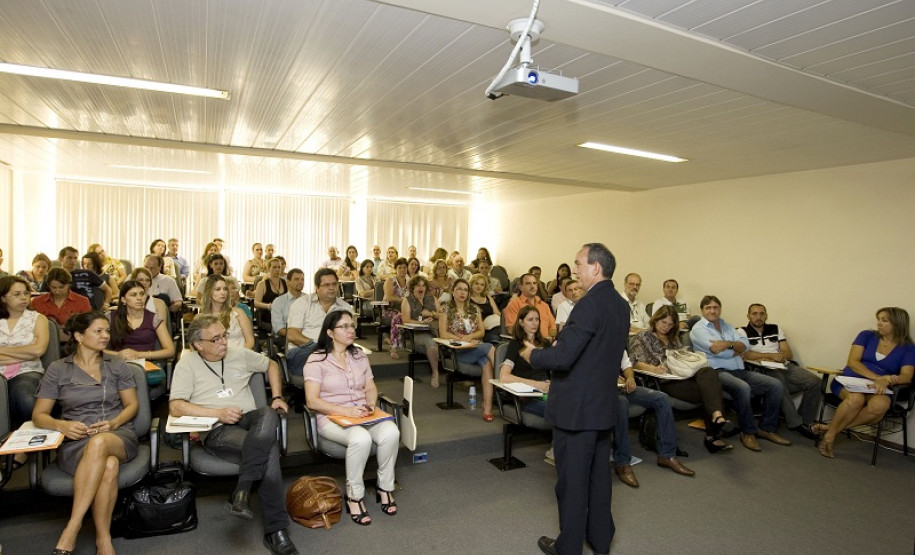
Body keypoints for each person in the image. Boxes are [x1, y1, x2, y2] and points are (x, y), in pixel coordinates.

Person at [519, 243, 627, 555]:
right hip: (602, 405)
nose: (575, 269)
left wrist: (533, 353)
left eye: (579, 263)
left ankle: (568, 547)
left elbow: (564, 357)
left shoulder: (588, 305)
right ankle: (600, 539)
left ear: (596, 267)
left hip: (577, 410)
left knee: (572, 483)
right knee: (598, 479)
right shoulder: (619, 304)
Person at [169, 314, 298, 555]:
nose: (223, 342)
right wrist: (217, 413)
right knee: (268, 449)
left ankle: (242, 490)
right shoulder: (187, 364)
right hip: (218, 429)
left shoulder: (238, 353)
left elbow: (270, 364)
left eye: (224, 335)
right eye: (215, 339)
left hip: (250, 421)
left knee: (269, 413)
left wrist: (278, 396)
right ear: (198, 344)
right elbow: (176, 406)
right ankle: (276, 531)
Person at [32, 311, 139, 555]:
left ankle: (72, 526)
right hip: (76, 439)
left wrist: (113, 423)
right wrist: (62, 425)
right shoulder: (58, 369)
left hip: (117, 434)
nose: (105, 336)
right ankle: (103, 540)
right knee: (109, 466)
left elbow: (132, 406)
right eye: (98, 331)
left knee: (101, 445)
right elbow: (39, 415)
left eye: (107, 331)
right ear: (79, 336)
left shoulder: (117, 365)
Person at [304, 311, 400, 526]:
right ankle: (354, 496)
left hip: (362, 412)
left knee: (392, 431)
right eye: (344, 326)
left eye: (352, 326)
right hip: (331, 416)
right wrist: (346, 411)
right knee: (361, 439)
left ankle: (385, 487)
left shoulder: (359, 355)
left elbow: (370, 387)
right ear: (330, 332)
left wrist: (371, 404)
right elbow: (312, 401)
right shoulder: (316, 359)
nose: (351, 330)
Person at [690, 295, 790, 452]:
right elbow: (717, 352)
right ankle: (747, 432)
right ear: (702, 310)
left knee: (775, 385)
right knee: (743, 388)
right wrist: (735, 350)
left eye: (715, 307)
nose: (712, 310)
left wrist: (728, 344)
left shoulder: (728, 326)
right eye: (708, 307)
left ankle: (767, 428)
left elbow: (746, 345)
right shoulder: (698, 330)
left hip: (739, 369)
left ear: (720, 309)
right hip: (717, 373)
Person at [629, 305, 733, 453]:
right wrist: (653, 368)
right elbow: (634, 362)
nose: (666, 327)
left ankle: (717, 416)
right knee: (710, 392)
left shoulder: (673, 338)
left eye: (670, 324)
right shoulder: (643, 336)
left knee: (708, 372)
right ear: (655, 319)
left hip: (683, 375)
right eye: (663, 322)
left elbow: (682, 358)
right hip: (664, 380)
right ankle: (713, 433)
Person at [814, 307, 915, 458]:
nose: (879, 323)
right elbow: (853, 362)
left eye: (884, 320)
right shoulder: (866, 335)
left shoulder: (908, 348)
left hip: (876, 388)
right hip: (850, 380)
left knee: (879, 406)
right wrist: (878, 378)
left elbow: (907, 376)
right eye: (878, 319)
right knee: (856, 399)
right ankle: (830, 437)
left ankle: (831, 430)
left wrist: (889, 379)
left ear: (897, 323)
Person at [612, 350, 695, 488]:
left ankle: (667, 455)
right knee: (621, 403)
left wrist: (630, 378)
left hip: (621, 387)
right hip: (601, 392)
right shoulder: (592, 342)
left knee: (661, 398)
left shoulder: (617, 342)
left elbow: (626, 366)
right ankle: (622, 464)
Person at [740, 303, 821, 440]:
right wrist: (770, 356)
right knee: (779, 382)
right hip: (761, 368)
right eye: (754, 314)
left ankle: (806, 421)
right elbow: (746, 355)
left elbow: (788, 353)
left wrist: (780, 358)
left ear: (766, 315)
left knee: (815, 382)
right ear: (748, 316)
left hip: (782, 365)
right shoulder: (741, 332)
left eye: (761, 313)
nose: (758, 317)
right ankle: (796, 423)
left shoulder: (775, 328)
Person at [0, 276, 50, 449]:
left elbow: (38, 351)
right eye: (16, 294)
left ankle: (24, 445)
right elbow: (31, 351)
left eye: (26, 293)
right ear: (3, 297)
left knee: (25, 397)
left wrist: (3, 352)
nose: (23, 298)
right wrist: (24, 351)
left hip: (28, 370)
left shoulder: (37, 319)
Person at [438, 279, 495, 421]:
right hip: (458, 350)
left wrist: (470, 337)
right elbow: (443, 334)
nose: (462, 292)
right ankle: (504, 384)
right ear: (453, 291)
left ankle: (487, 406)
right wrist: (461, 339)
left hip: (476, 347)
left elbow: (481, 331)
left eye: (465, 290)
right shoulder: (446, 308)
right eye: (459, 289)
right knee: (490, 347)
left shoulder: (474, 309)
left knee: (487, 364)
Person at [286, 269, 354, 379]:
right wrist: (320, 347)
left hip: (335, 352)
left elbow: (348, 335)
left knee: (357, 355)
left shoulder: (345, 307)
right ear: (317, 288)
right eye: (327, 285)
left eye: (334, 284)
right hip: (303, 350)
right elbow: (292, 335)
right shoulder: (302, 303)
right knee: (325, 358)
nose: (332, 288)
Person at [106, 281, 175, 387]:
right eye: (133, 295)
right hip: (117, 363)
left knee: (136, 376)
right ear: (123, 299)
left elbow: (170, 350)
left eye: (142, 294)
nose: (139, 298)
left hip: (144, 365)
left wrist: (139, 355)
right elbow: (93, 348)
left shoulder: (154, 318)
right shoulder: (110, 317)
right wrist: (118, 355)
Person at [500, 305, 551, 417]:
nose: (535, 323)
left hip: (547, 392)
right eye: (530, 319)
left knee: (573, 404)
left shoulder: (546, 344)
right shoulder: (515, 344)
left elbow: (552, 372)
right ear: (521, 322)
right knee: (560, 409)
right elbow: (504, 376)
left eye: (537, 319)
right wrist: (536, 384)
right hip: (527, 396)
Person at [400, 275, 441, 386]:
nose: (421, 288)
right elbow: (406, 320)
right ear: (412, 288)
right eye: (418, 285)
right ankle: (435, 373)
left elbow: (442, 315)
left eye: (423, 285)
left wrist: (432, 314)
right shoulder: (407, 300)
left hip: (437, 331)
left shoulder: (432, 299)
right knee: (431, 344)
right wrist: (421, 323)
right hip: (419, 333)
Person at [30, 267, 92, 340]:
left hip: (73, 343)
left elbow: (89, 328)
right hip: (44, 342)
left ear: (69, 284)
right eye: (53, 287)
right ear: (48, 285)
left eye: (61, 287)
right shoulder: (37, 302)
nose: (57, 291)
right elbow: (30, 327)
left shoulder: (82, 302)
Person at [200, 275, 255, 350]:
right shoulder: (201, 318)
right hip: (213, 358)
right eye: (218, 289)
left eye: (225, 289)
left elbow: (250, 342)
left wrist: (238, 355)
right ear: (209, 293)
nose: (223, 292)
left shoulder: (239, 313)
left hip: (239, 356)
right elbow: (195, 345)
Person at [504, 273, 556, 340]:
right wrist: (532, 339)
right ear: (520, 287)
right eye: (528, 283)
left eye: (534, 283)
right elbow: (511, 329)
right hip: (526, 344)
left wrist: (550, 338)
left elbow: (553, 327)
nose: (532, 286)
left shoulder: (544, 305)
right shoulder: (514, 304)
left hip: (546, 344)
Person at [383, 258, 409, 359]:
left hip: (404, 310)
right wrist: (402, 300)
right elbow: (388, 297)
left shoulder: (410, 281)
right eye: (400, 267)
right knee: (397, 317)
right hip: (389, 309)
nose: (402, 270)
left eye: (404, 267)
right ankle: (393, 348)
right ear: (395, 269)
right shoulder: (390, 281)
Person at [271, 268, 305, 342]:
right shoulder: (279, 302)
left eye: (302, 279)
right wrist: (297, 336)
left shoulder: (310, 300)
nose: (300, 282)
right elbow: (279, 329)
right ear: (288, 282)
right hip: (286, 339)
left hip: (308, 337)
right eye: (297, 279)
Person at [253, 258, 287, 330]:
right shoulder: (262, 284)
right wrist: (268, 306)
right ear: (268, 268)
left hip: (283, 317)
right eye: (274, 267)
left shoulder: (285, 283)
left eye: (279, 267)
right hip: (268, 317)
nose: (277, 269)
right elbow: (256, 303)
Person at [468, 273, 500, 344]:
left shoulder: (488, 297)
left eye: (482, 285)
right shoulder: (467, 299)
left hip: (494, 326)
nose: (479, 286)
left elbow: (497, 313)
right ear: (471, 284)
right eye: (476, 283)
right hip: (481, 329)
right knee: (496, 338)